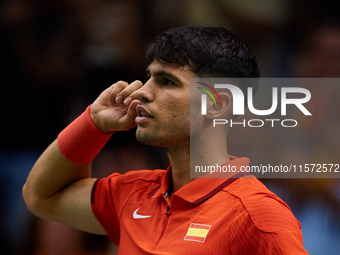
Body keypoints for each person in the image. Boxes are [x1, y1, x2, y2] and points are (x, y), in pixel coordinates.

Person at [23, 26, 309, 254]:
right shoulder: (133, 194)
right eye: (148, 78)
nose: (141, 93)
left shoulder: (258, 215)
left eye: (167, 81)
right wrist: (93, 124)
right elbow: (41, 196)